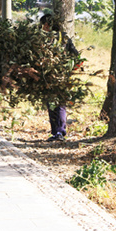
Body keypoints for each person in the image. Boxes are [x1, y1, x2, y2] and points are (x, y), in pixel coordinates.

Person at [40, 13, 79, 142]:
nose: (43, 28)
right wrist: (71, 71)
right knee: (60, 104)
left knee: (53, 105)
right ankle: (59, 132)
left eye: (43, 25)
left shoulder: (46, 39)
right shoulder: (64, 38)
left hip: (50, 77)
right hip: (63, 76)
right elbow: (77, 57)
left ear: (47, 25)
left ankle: (58, 132)